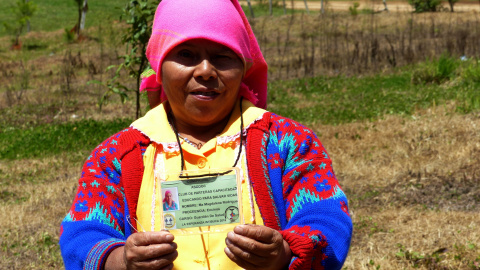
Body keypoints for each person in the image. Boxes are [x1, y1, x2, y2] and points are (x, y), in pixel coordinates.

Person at [59, 0, 353, 269]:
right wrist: (121, 260)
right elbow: (81, 237)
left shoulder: (288, 142)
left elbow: (327, 219)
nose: (205, 71)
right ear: (160, 68)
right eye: (186, 54)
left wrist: (286, 253)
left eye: (222, 56)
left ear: (243, 67)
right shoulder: (117, 155)